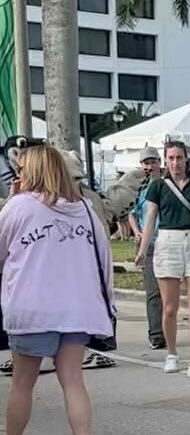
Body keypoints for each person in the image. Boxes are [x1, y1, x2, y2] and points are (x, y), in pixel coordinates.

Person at [0, 144, 114, 435]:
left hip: (32, 310)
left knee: (23, 384)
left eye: (22, 169)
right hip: (76, 310)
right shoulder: (84, 209)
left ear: (35, 171)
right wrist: (108, 304)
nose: (18, 174)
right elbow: (104, 258)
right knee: (73, 381)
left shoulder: (19, 206)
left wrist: (11, 201)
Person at [134, 140, 190, 378]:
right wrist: (142, 249)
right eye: (170, 158)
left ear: (186, 159)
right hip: (167, 242)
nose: (175, 163)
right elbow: (150, 219)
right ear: (165, 161)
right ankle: (171, 353)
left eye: (179, 158)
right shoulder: (157, 186)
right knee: (169, 307)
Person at [127, 147, 165, 349]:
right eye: (146, 163)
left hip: (168, 243)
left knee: (169, 292)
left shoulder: (168, 185)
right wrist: (137, 232)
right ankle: (156, 335)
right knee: (153, 292)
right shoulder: (138, 189)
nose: (150, 166)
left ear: (160, 162)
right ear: (141, 166)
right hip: (148, 245)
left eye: (153, 162)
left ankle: (168, 330)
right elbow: (131, 213)